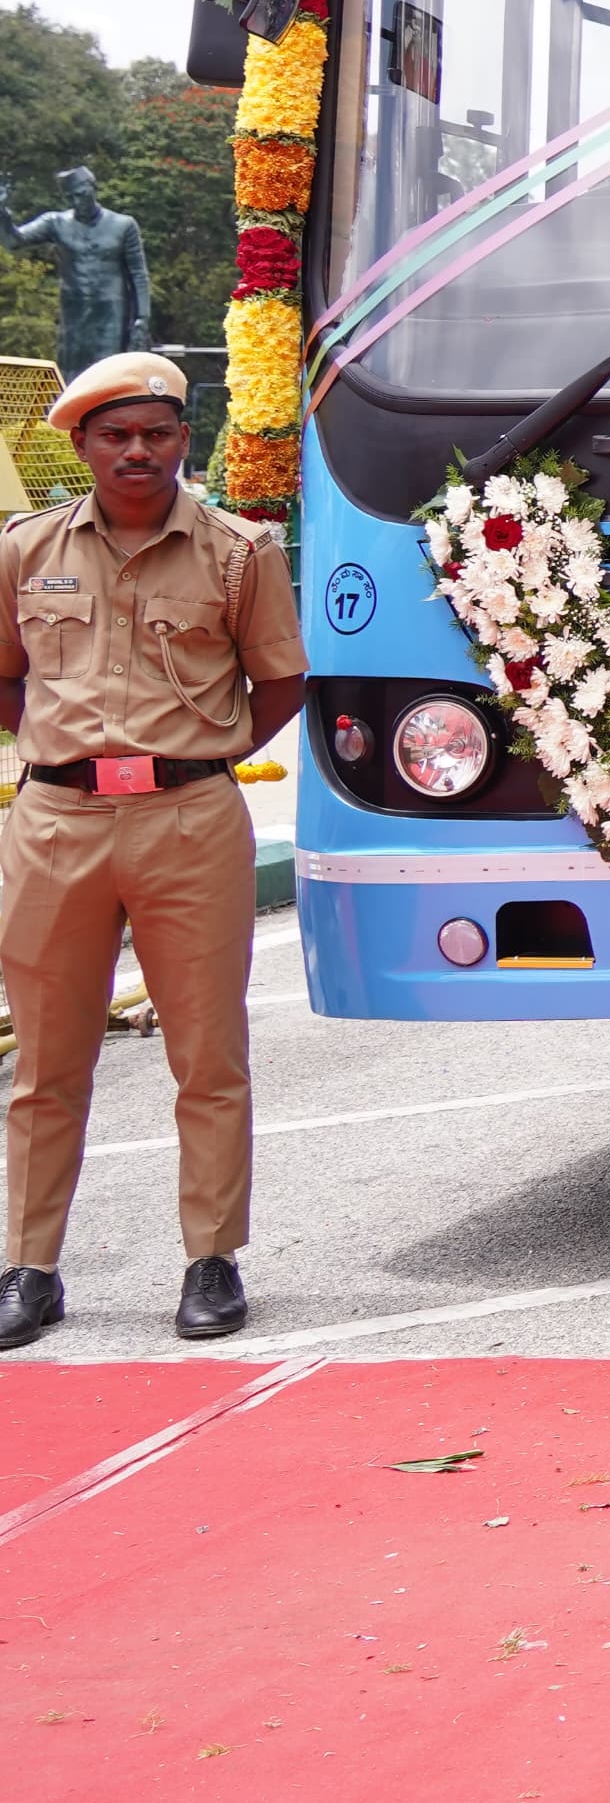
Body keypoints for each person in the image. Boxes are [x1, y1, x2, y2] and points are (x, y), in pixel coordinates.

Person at [0, 352, 307, 1353]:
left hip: (190, 820)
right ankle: (29, 1267)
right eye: (115, 435)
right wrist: (70, 761)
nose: (138, 452)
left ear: (184, 437)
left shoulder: (238, 551)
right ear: (81, 444)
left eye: (157, 434)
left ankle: (211, 1261)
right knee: (45, 1063)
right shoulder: (24, 549)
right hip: (56, 824)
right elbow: (8, 678)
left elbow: (281, 684)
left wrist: (196, 759)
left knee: (206, 1054)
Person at [2, 170, 153, 380]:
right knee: (71, 376)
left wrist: (142, 318)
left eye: (80, 194)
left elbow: (138, 274)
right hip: (74, 314)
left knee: (108, 375)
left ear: (93, 187)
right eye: (70, 197)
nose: (76, 201)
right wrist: (2, 214)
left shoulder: (123, 225)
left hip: (111, 313)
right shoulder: (55, 222)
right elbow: (14, 241)